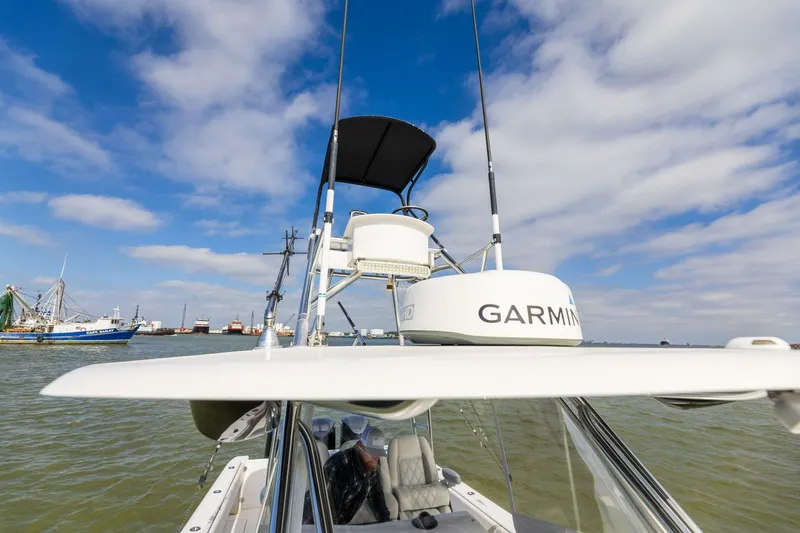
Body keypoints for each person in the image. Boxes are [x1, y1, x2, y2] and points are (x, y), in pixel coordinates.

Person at [319, 425, 391, 525]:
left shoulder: (372, 463)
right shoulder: (340, 467)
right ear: (360, 446)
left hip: (340, 521)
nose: (375, 458)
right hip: (313, 523)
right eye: (372, 452)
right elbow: (327, 511)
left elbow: (376, 495)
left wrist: (387, 525)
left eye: (378, 452)